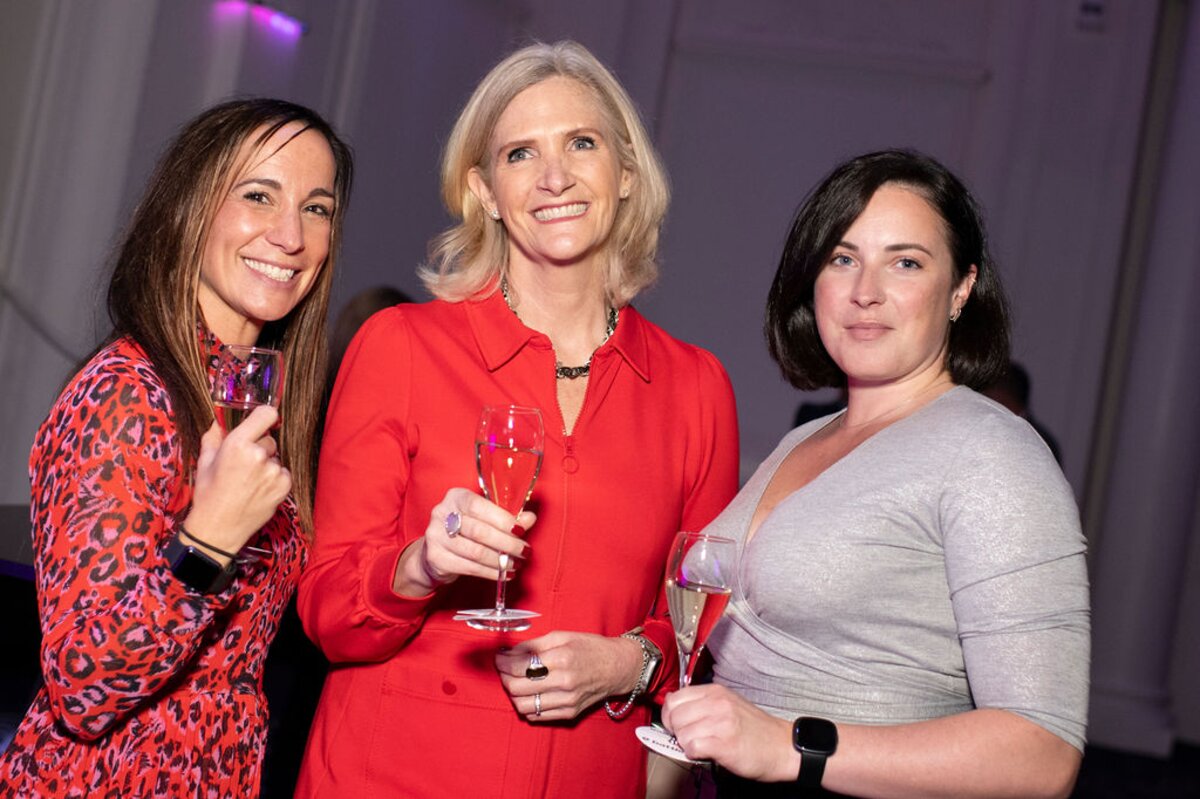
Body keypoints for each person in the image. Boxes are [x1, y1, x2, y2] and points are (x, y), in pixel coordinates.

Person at [295, 41, 739, 798]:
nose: (554, 176)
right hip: (390, 774)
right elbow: (328, 612)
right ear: (486, 191)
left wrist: (627, 663)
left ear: (626, 175)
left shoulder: (695, 388)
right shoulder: (401, 347)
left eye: (582, 143)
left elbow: (708, 626)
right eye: (520, 153)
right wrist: (420, 566)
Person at [661, 150, 1089, 798]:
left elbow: (1044, 754)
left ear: (961, 289)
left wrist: (786, 745)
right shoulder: (805, 439)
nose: (866, 290)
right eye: (842, 258)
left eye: (905, 262)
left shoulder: (992, 452)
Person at [0, 98, 353, 798]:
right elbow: (83, 686)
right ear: (191, 209)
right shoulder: (126, 394)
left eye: (316, 208)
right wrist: (207, 543)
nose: (291, 235)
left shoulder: (260, 406)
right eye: (259, 195)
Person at [982, 360, 1063, 463]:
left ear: (1002, 398)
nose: (982, 401)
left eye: (987, 396)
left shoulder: (1042, 444)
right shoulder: (987, 429)